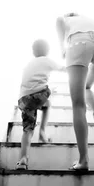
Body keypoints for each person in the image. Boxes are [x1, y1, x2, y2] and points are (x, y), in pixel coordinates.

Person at [56, 12, 94, 171]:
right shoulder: (89, 19)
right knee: (87, 86)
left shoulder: (62, 18)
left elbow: (61, 38)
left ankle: (84, 160)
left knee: (78, 104)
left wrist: (63, 50)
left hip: (78, 43)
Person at [15, 39, 65, 170]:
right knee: (48, 92)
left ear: (33, 52)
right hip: (37, 96)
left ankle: (23, 159)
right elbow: (63, 69)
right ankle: (42, 132)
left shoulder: (29, 64)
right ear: (47, 51)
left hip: (23, 100)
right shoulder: (46, 60)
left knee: (28, 130)